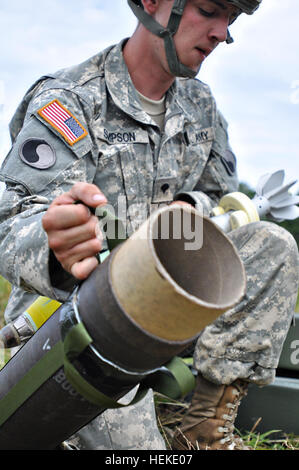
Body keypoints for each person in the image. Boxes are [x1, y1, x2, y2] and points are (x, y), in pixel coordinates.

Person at [0, 0, 298, 451]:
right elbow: (12, 217)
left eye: (230, 20)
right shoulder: (71, 99)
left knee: (270, 244)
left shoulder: (201, 107)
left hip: (171, 302)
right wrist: (56, 245)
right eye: (209, 9)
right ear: (152, 2)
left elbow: (218, 194)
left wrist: (185, 208)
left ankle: (202, 423)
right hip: (89, 316)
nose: (221, 32)